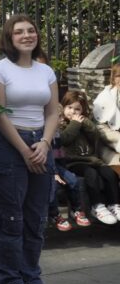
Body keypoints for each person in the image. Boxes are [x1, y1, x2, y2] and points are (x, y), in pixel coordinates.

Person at [0, 14, 60, 284]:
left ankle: (32, 276)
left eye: (31, 30)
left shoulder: (46, 71)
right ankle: (9, 279)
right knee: (9, 216)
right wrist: (23, 149)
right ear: (9, 37)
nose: (27, 35)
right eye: (19, 32)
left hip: (40, 144)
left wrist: (44, 143)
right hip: (10, 145)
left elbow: (53, 112)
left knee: (36, 215)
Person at [58, 89, 120, 224]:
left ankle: (114, 205)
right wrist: (75, 124)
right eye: (69, 107)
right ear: (63, 107)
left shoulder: (84, 123)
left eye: (77, 109)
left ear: (83, 111)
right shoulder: (61, 124)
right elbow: (65, 139)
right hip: (73, 162)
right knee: (91, 174)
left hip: (92, 159)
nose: (73, 112)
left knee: (110, 173)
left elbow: (95, 136)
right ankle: (97, 206)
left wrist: (84, 122)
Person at [91, 63, 120, 153]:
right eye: (119, 76)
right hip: (109, 132)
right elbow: (99, 124)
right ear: (114, 78)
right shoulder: (106, 95)